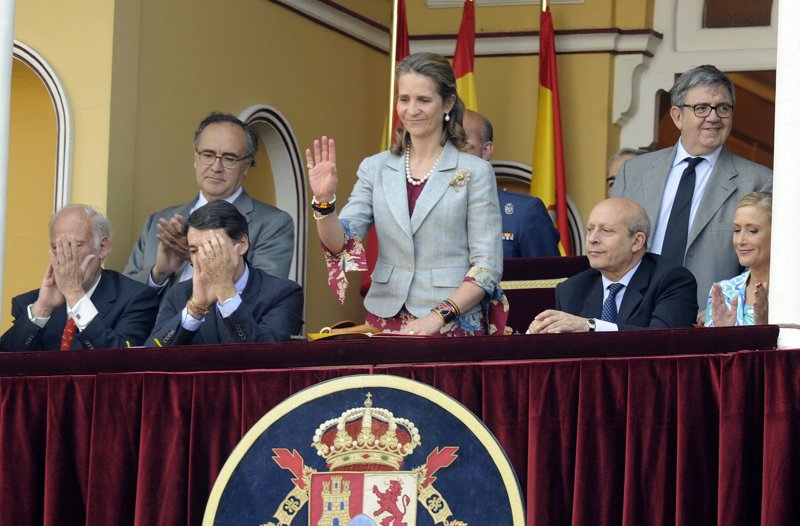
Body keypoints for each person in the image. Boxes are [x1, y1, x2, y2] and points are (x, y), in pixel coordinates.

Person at [306, 52, 505, 336]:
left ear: (448, 102)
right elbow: (341, 243)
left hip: (452, 322)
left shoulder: (475, 171)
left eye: (423, 100)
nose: (412, 110)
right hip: (385, 317)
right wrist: (324, 202)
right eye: (404, 99)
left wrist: (437, 318)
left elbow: (486, 267)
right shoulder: (375, 167)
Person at [611, 65, 772, 308]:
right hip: (631, 313)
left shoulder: (759, 181)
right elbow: (610, 242)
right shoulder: (633, 172)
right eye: (701, 108)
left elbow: (763, 265)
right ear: (677, 116)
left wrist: (727, 309)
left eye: (723, 108)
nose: (714, 117)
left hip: (708, 319)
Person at [124, 112, 295, 297]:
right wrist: (158, 274)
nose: (216, 167)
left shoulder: (273, 223)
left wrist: (193, 256)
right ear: (196, 158)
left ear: (246, 166)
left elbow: (264, 297)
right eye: (208, 155)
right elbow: (123, 296)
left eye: (229, 158)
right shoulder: (159, 221)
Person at [1, 205, 159, 351]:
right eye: (57, 247)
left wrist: (75, 296)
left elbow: (123, 362)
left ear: (102, 247)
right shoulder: (30, 303)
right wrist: (42, 308)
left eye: (76, 246)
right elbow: (6, 362)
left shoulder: (135, 299)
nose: (66, 256)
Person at [145, 200, 303, 346]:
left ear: (242, 244)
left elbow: (267, 356)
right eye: (194, 251)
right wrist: (195, 310)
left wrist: (226, 291)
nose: (202, 258)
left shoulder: (283, 293)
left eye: (212, 248)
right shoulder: (179, 294)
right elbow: (150, 357)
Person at [528, 198, 697, 333]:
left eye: (606, 231)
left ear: (637, 241)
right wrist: (537, 335)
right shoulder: (571, 290)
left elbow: (664, 340)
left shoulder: (672, 281)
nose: (592, 239)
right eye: (590, 229)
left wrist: (591, 326)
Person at [462, 109, 560, 258]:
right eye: (443, 142)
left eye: (460, 140)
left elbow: (548, 272)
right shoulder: (425, 207)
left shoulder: (524, 212)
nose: (449, 150)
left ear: (485, 150)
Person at [705, 192, 771, 326]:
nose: (740, 240)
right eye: (736, 230)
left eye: (752, 231)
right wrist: (723, 334)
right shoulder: (724, 292)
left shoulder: (793, 293)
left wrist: (766, 325)